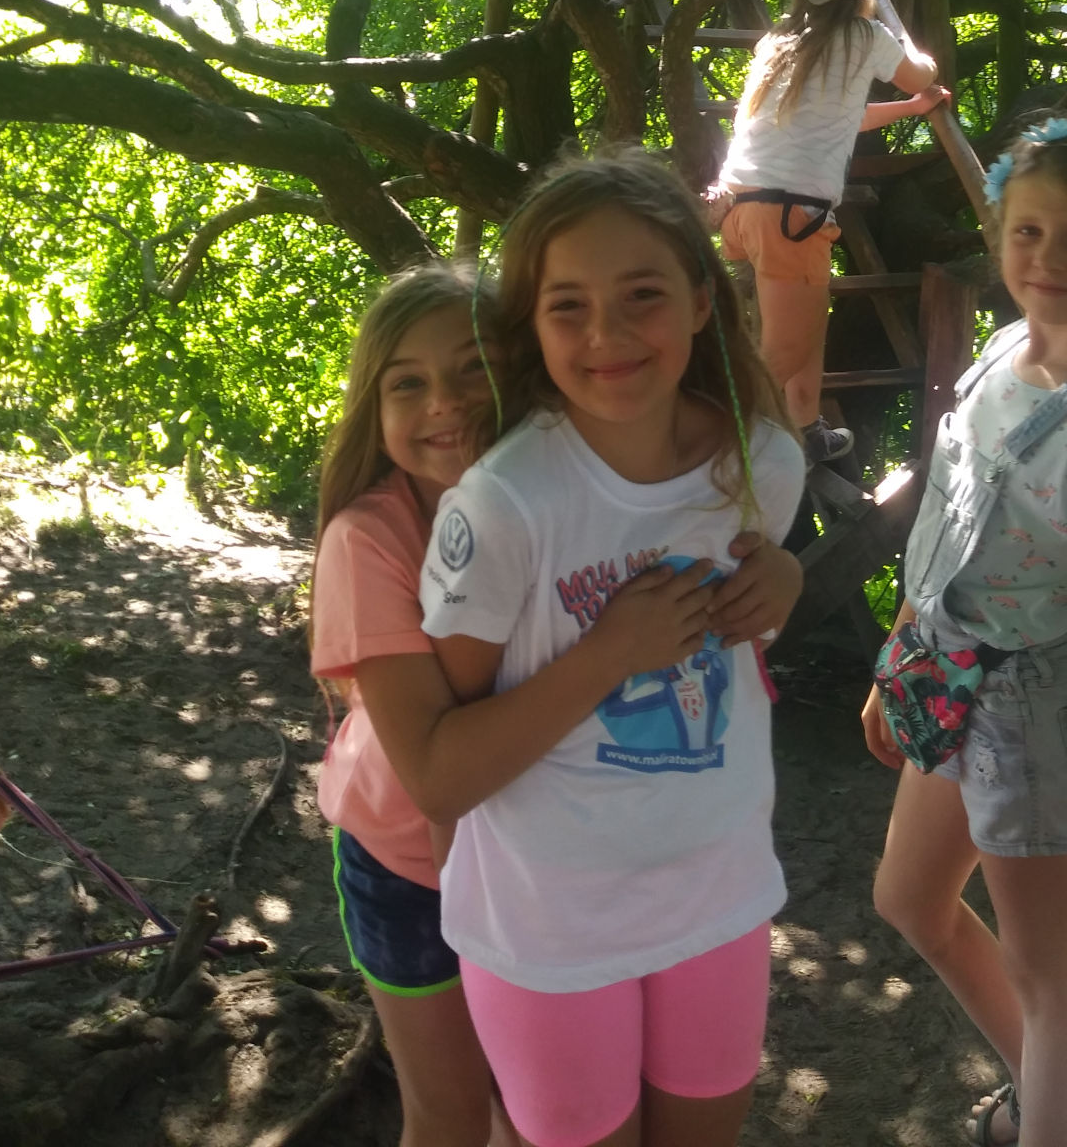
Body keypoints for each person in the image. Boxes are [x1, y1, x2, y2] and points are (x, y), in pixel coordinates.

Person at [417, 145, 807, 1147]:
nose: (608, 334)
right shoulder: (503, 506)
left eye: (643, 295)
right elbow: (447, 769)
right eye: (569, 306)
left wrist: (785, 588)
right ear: (531, 324)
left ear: (702, 300)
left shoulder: (761, 465)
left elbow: (738, 644)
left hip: (717, 896)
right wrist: (606, 656)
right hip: (549, 927)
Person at [862, 114, 1067, 1147]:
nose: (1047, 257)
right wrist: (900, 656)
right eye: (1028, 231)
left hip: (1034, 715)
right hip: (950, 672)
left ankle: (1053, 1116)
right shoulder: (1006, 348)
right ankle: (1050, 1098)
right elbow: (953, 513)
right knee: (911, 899)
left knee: (1055, 983)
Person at [309, 264, 517, 1147]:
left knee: (534, 1107)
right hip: (404, 871)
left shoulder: (564, 505)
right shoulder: (368, 538)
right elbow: (435, 772)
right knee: (450, 1111)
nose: (445, 402)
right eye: (408, 383)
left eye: (475, 367)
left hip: (536, 861)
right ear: (376, 407)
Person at [713, 0, 943, 467]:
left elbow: (841, 119)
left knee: (808, 322)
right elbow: (920, 74)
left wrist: (912, 109)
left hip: (748, 208)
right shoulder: (865, 35)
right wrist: (921, 57)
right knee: (784, 349)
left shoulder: (780, 44)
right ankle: (708, 448)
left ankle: (805, 427)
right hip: (791, 213)